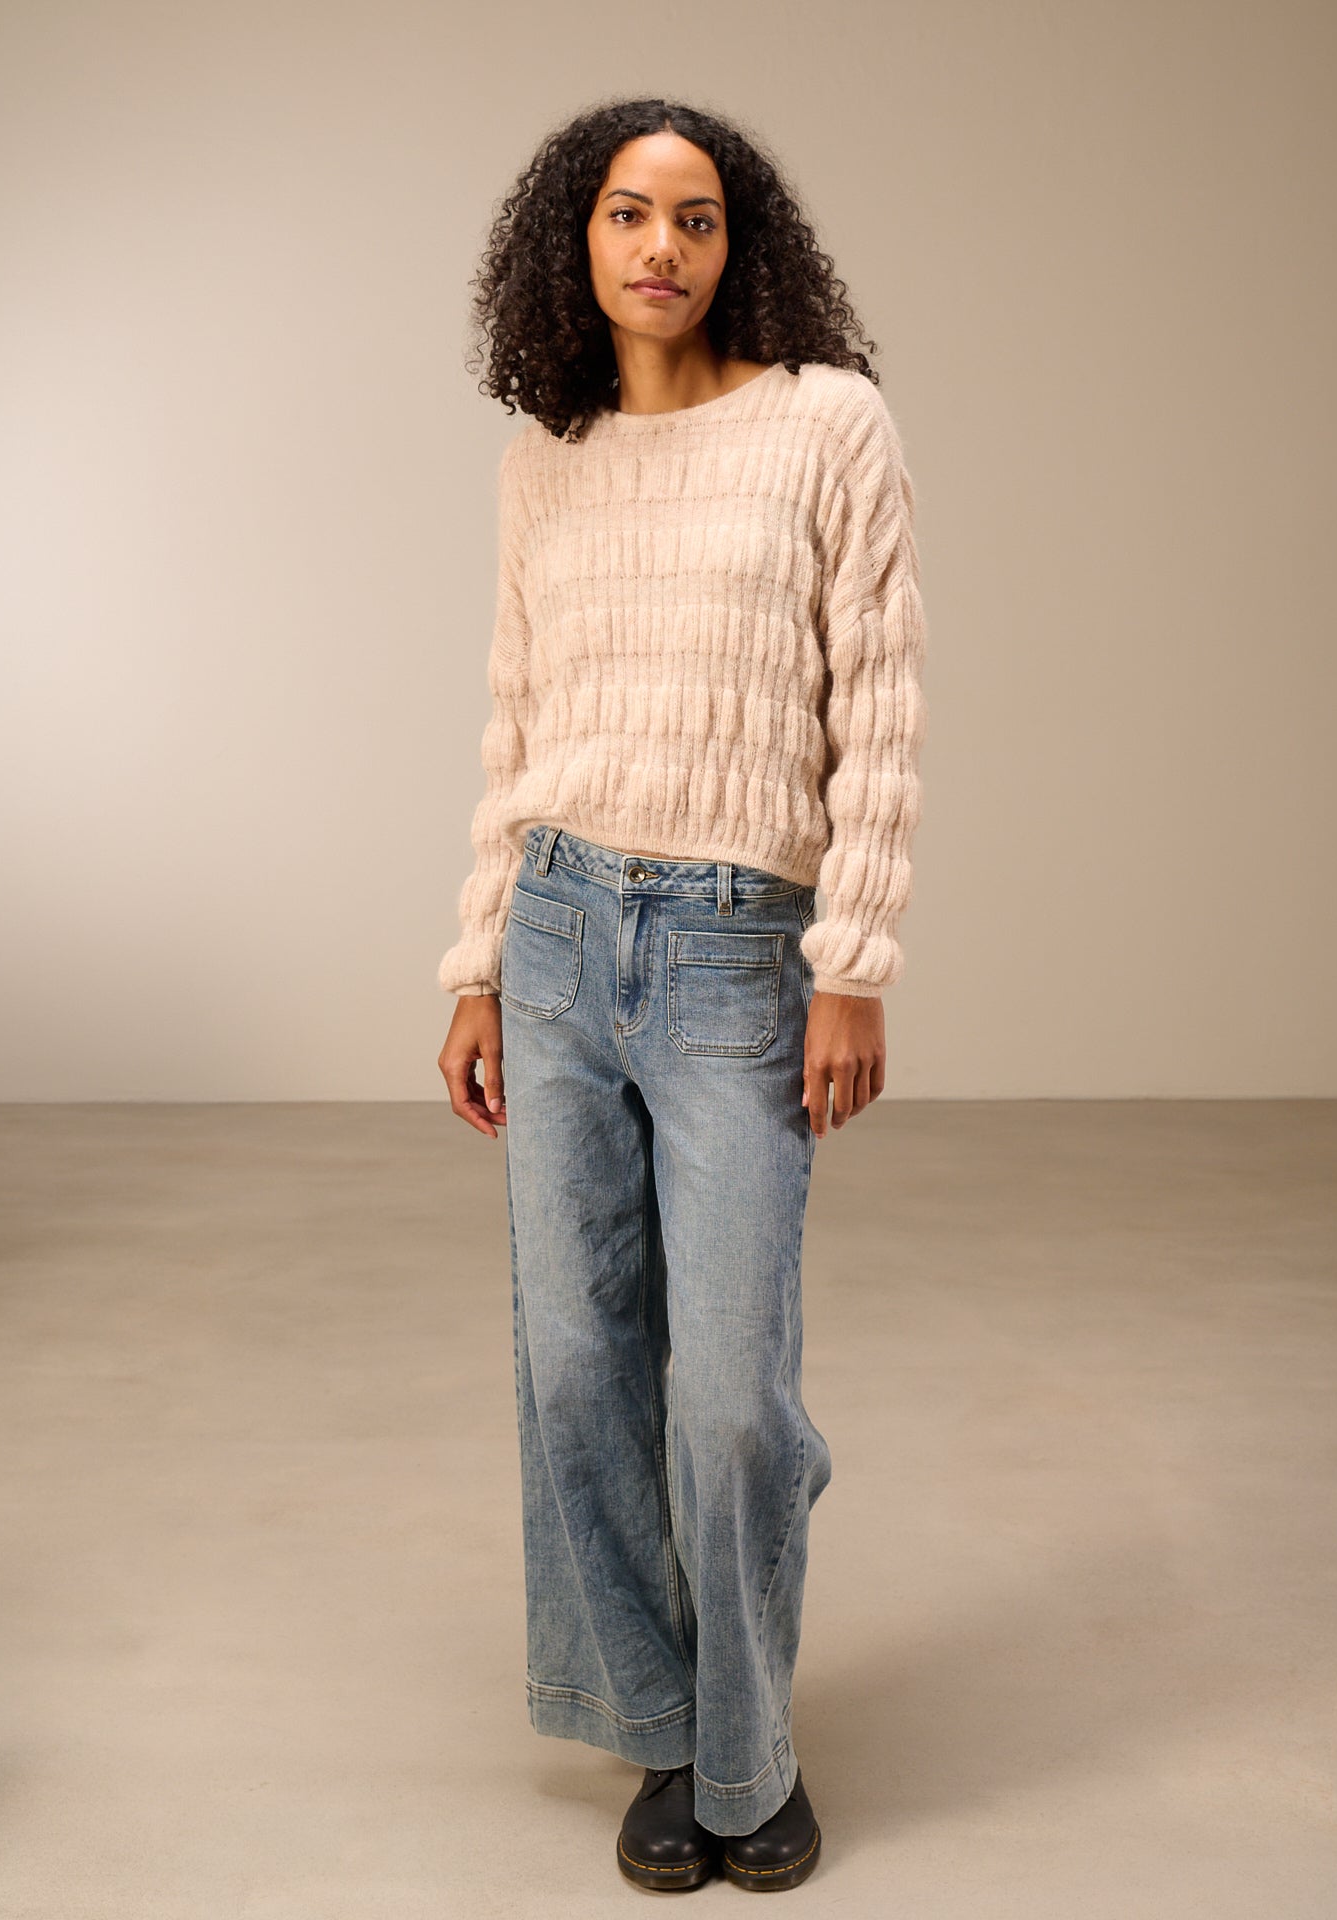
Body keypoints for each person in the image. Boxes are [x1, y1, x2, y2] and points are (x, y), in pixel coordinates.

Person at [436, 97, 927, 1894]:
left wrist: (852, 963)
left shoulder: (827, 424)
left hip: (736, 953)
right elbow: (516, 722)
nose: (662, 246)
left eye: (698, 217)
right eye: (630, 213)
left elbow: (879, 700)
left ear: (741, 244)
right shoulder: (545, 456)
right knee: (577, 1369)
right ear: (575, 240)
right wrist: (478, 961)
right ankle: (664, 1728)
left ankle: (749, 1750)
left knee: (727, 1394)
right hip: (559, 938)